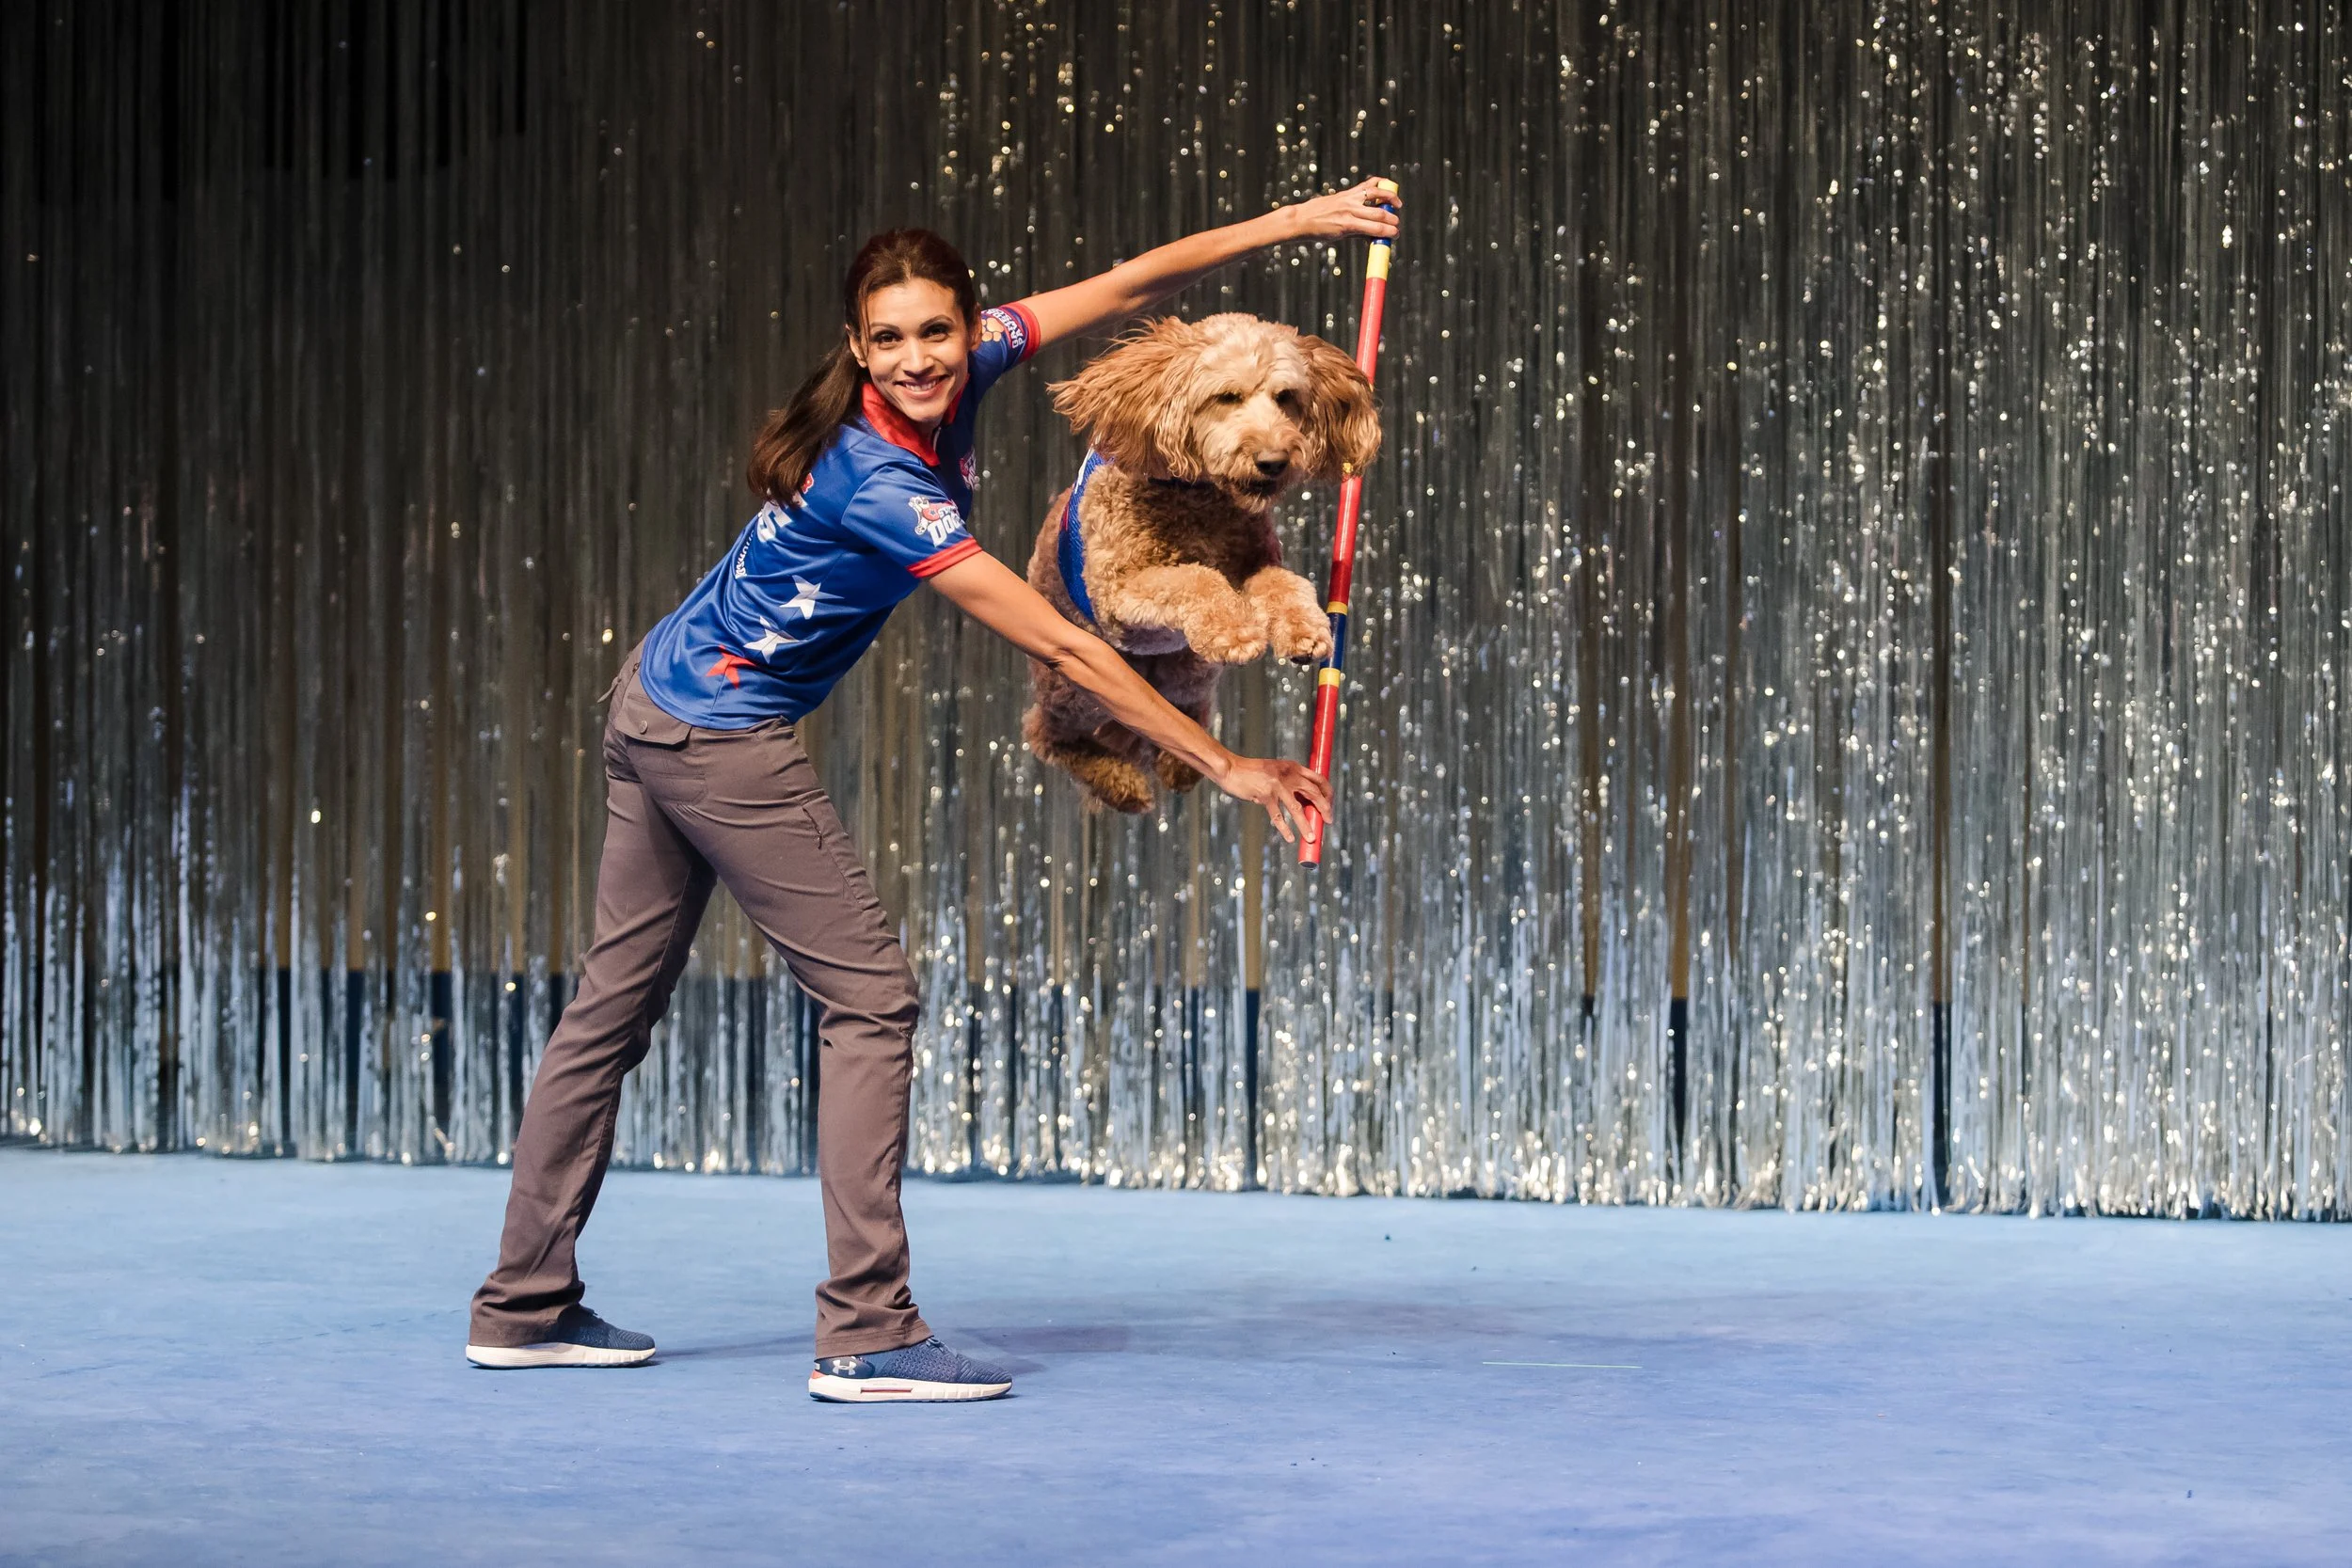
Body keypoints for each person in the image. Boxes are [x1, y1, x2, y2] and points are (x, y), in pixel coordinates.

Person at [464, 179, 1404, 1402]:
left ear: (969, 327)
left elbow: (1134, 283)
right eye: (889, 339)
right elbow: (1063, 643)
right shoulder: (878, 479)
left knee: (609, 1013)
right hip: (715, 733)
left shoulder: (971, 365)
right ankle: (868, 1330)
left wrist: (1295, 223)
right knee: (871, 1000)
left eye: (937, 331)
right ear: (857, 349)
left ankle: (521, 1307)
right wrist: (1227, 763)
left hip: (656, 697)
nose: (917, 358)